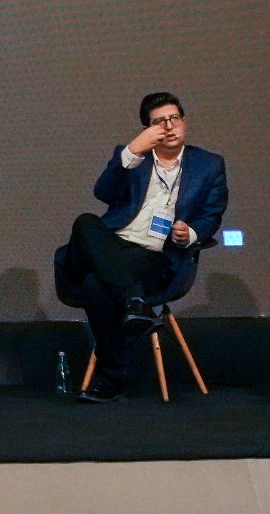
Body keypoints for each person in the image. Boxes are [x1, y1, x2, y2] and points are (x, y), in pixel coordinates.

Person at [59, 92, 229, 402]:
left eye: (174, 118)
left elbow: (212, 214)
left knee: (96, 286)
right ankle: (134, 302)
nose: (169, 126)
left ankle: (112, 379)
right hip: (113, 244)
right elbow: (104, 193)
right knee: (85, 222)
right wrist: (133, 150)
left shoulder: (208, 164)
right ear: (147, 129)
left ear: (184, 121)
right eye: (159, 122)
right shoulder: (133, 158)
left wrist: (191, 233)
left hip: (153, 255)